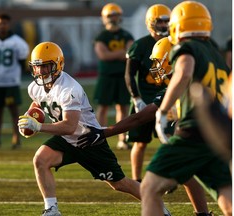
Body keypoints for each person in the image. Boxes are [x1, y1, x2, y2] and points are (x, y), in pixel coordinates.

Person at [17, 41, 171, 216]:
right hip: (67, 140)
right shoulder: (35, 86)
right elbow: (38, 102)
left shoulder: (69, 89)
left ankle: (161, 209)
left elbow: (69, 125)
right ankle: (51, 209)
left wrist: (38, 126)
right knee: (40, 160)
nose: (41, 71)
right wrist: (30, 116)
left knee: (119, 184)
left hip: (88, 138)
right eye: (37, 67)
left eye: (46, 66)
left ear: (58, 65)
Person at [78, 37, 213, 216]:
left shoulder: (181, 85)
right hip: (217, 137)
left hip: (209, 138)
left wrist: (106, 132)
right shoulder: (201, 76)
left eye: (159, 61)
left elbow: (140, 118)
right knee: (195, 176)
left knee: (150, 186)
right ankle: (203, 213)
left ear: (172, 59)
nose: (155, 67)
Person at [140, 1, 232, 215]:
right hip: (218, 133)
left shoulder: (186, 46)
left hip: (194, 131)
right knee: (228, 201)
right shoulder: (216, 54)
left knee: (149, 187)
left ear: (178, 25)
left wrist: (163, 110)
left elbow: (184, 72)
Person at [124, 4, 171, 182]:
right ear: (150, 22)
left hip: (168, 97)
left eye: (167, 20)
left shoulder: (174, 42)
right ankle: (137, 179)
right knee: (140, 141)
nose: (164, 24)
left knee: (170, 141)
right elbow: (129, 74)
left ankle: (170, 178)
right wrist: (136, 98)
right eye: (160, 20)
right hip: (145, 97)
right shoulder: (140, 45)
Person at [0, 13, 29, 149]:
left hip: (11, 82)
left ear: (9, 24)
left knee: (14, 110)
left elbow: (22, 61)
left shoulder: (18, 42)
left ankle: (16, 139)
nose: (2, 26)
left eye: (4, 23)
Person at [93, 3, 134, 150]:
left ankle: (122, 139)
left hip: (123, 76)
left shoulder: (126, 35)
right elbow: (103, 55)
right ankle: (98, 137)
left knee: (123, 108)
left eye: (115, 15)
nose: (112, 18)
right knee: (103, 107)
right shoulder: (102, 36)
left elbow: (131, 52)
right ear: (104, 18)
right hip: (107, 76)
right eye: (110, 16)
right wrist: (121, 54)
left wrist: (114, 54)